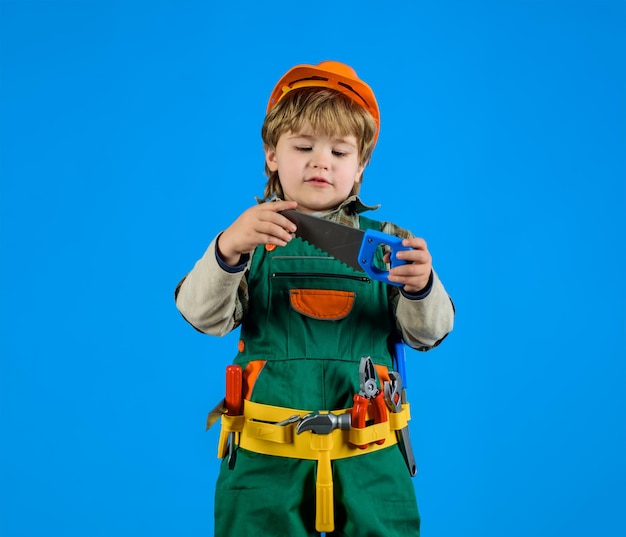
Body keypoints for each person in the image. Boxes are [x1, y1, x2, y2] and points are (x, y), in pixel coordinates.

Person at [175, 60, 454, 537]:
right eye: (303, 146)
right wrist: (227, 249)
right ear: (271, 155)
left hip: (369, 461)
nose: (320, 162)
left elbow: (428, 333)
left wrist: (422, 286)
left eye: (339, 151)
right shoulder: (250, 239)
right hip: (265, 465)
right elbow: (203, 317)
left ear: (360, 165)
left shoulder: (389, 247)